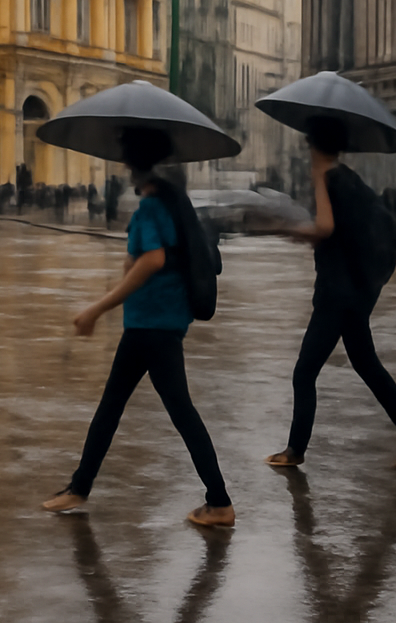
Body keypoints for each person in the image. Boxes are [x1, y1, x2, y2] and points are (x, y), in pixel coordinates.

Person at [42, 127, 234, 528]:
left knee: (165, 411)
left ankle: (218, 501)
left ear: (133, 163)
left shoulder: (151, 208)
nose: (123, 164)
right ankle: (80, 485)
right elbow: (155, 258)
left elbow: (153, 261)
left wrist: (97, 308)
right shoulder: (171, 202)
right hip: (160, 323)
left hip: (152, 326)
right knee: (121, 407)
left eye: (126, 157)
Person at [265, 116, 396, 470]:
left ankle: (295, 450)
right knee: (367, 365)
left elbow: (325, 227)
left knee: (304, 372)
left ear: (313, 146)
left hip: (336, 295)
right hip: (357, 290)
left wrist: (293, 231)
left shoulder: (326, 176)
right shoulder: (351, 180)